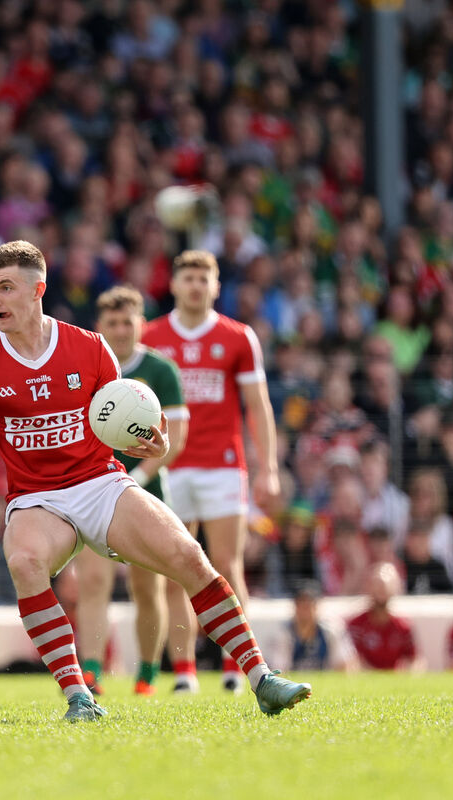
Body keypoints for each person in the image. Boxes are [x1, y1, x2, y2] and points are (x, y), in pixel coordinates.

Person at [0, 241, 310, 721]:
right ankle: (79, 696)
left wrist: (152, 443)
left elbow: (124, 424)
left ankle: (262, 678)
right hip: (37, 499)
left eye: (7, 287)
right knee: (24, 561)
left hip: (100, 484)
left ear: (38, 290)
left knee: (188, 555)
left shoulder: (90, 347)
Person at [140, 250, 281, 694]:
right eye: (188, 277)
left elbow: (258, 404)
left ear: (216, 286)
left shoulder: (238, 337)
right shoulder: (151, 336)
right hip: (171, 466)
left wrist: (269, 467)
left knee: (227, 566)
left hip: (223, 465)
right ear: (174, 285)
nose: (196, 285)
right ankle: (184, 672)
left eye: (204, 278)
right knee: (176, 570)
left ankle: (235, 669)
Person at [74, 285, 190, 697]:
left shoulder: (160, 370)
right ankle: (91, 674)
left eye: (128, 322)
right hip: (94, 487)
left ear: (141, 324)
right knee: (93, 582)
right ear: (99, 326)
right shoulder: (86, 369)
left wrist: (137, 477)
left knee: (146, 587)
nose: (121, 330)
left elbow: (176, 438)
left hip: (147, 491)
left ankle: (147, 675)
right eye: (113, 323)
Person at [345, 563, 419, 671]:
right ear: (368, 588)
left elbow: (415, 660)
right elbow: (353, 662)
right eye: (377, 586)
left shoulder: (403, 626)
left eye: (385, 587)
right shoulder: (356, 626)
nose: (381, 591)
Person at [270, 582, 354, 672]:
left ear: (316, 607)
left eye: (308, 606)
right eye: (300, 606)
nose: (304, 612)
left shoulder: (330, 632)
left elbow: (344, 665)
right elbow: (279, 669)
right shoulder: (284, 635)